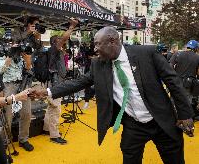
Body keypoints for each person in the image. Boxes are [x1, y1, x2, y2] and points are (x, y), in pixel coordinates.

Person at [30, 27, 194, 164]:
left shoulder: (146, 53)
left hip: (162, 120)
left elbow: (173, 82)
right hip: (134, 125)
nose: (95, 49)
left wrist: (184, 114)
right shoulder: (98, 64)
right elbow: (79, 83)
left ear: (112, 42)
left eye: (98, 44)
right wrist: (47, 91)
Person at [0, 16, 43, 151]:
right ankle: (4, 141)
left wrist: (37, 37)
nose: (36, 27)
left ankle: (23, 139)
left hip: (24, 81)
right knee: (8, 114)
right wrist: (28, 32)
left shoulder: (31, 41)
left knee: (27, 113)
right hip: (9, 83)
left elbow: (37, 52)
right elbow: (0, 69)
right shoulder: (15, 34)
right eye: (34, 24)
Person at [42, 19, 78, 144]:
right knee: (55, 109)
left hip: (54, 82)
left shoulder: (55, 52)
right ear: (54, 42)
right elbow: (64, 38)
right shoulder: (54, 50)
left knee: (51, 107)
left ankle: (47, 129)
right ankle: (54, 135)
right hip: (55, 84)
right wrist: (71, 27)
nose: (62, 41)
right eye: (59, 40)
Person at [170, 40, 199, 115]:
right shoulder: (197, 57)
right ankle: (185, 121)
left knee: (174, 101)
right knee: (187, 103)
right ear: (196, 48)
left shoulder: (177, 54)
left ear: (187, 46)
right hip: (189, 84)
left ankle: (174, 118)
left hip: (176, 82)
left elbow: (170, 67)